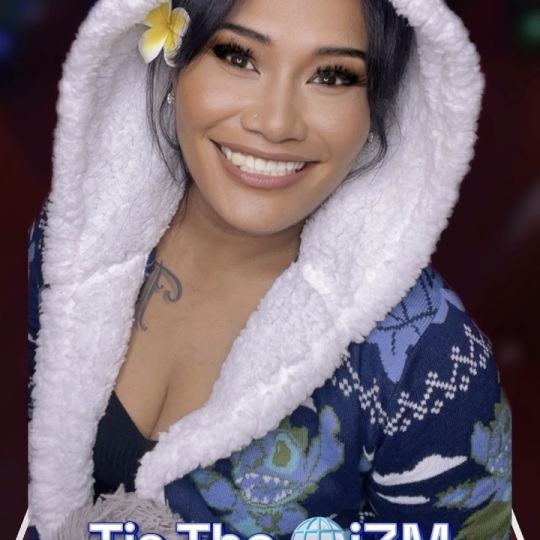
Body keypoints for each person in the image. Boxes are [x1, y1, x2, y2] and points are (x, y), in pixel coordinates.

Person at [27, 0, 512, 538]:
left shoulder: (431, 357)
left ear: (380, 108)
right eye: (237, 56)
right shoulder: (71, 246)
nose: (276, 123)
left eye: (333, 75)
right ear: (173, 66)